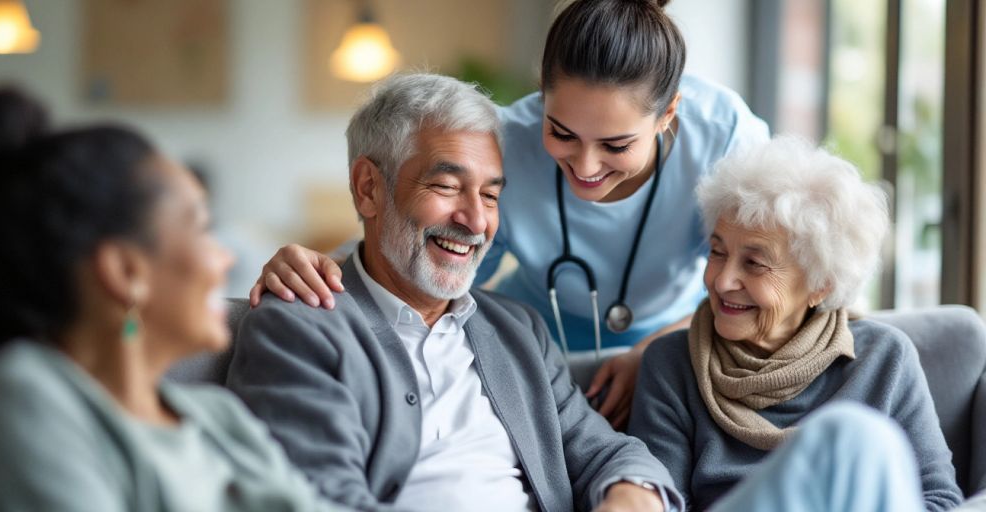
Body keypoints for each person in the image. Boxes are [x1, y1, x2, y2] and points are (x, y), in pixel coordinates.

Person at [246, 0, 769, 429]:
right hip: (539, 343)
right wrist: (318, 274)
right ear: (542, 93)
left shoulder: (724, 137)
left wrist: (655, 351)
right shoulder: (504, 143)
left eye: (616, 145)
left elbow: (755, 281)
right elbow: (430, 264)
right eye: (561, 132)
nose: (585, 167)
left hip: (681, 335)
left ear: (668, 114)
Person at [225, 73, 682, 512]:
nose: (477, 222)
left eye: (489, 195)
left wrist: (633, 495)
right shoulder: (298, 326)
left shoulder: (518, 330)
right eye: (446, 186)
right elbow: (321, 498)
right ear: (369, 189)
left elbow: (605, 452)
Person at [0, 87, 343, 511]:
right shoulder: (26, 404)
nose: (225, 257)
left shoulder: (219, 419)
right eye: (201, 228)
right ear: (125, 272)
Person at [627, 137, 963, 511]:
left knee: (859, 437)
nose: (722, 281)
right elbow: (659, 503)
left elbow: (939, 500)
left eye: (754, 264)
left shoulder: (885, 357)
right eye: (717, 252)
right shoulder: (672, 364)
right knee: (851, 434)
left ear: (821, 285)